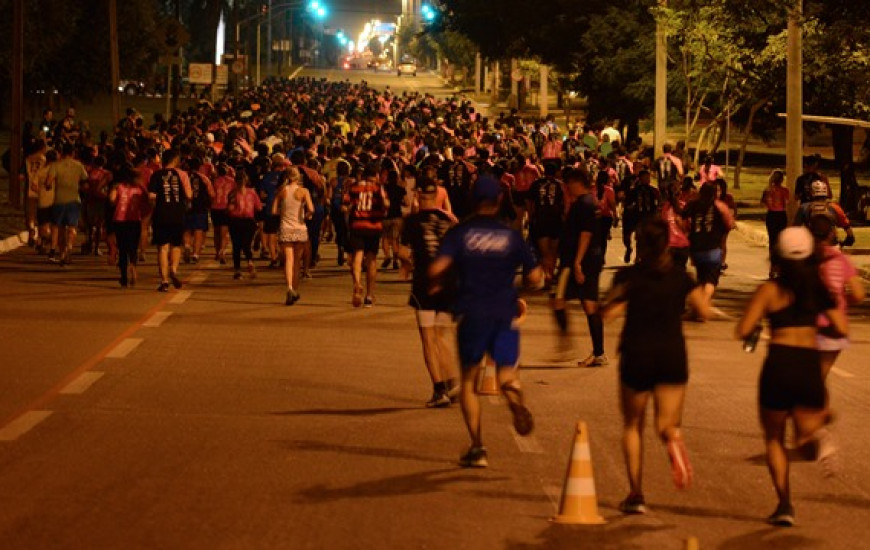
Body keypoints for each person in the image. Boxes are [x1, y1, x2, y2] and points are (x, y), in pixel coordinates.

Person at [735, 226, 847, 527]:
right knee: (805, 435)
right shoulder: (817, 287)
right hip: (809, 364)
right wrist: (813, 329)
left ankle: (784, 504)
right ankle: (819, 436)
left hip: (779, 364)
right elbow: (841, 328)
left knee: (774, 438)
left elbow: (743, 330)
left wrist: (761, 326)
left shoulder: (769, 290)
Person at [429, 176, 543, 468]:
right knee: (506, 376)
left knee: (469, 381)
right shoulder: (512, 236)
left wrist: (439, 283)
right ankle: (514, 399)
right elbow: (535, 278)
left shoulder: (460, 233)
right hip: (504, 313)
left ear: (472, 199)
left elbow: (437, 268)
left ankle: (478, 446)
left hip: (472, 312)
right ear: (499, 200)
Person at [601, 218, 710, 514]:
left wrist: (621, 304)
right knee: (667, 424)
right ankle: (673, 439)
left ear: (639, 245)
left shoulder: (627, 277)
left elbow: (606, 313)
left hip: (637, 353)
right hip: (671, 354)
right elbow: (703, 310)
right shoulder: (681, 277)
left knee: (632, 425)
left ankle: (636, 493)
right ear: (667, 244)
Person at [397, 178, 459, 407]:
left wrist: (407, 265)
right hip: (448, 284)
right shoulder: (449, 220)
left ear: (418, 196)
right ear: (438, 197)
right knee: (442, 334)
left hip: (424, 284)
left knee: (427, 336)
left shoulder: (412, 222)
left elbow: (402, 252)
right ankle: (452, 381)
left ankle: (438, 389)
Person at [808, 214, 865, 416]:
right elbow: (858, 294)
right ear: (832, 233)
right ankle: (816, 423)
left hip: (806, 325)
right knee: (818, 377)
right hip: (834, 327)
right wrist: (842, 302)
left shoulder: (804, 259)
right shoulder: (841, 260)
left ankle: (813, 422)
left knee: (810, 379)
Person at [552, 168, 607, 366]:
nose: (567, 188)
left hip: (576, 263)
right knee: (589, 304)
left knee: (559, 299)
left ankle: (566, 345)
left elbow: (586, 234)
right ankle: (598, 353)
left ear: (576, 183)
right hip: (591, 260)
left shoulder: (583, 205)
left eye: (568, 184)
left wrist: (576, 263)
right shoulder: (591, 203)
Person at [682, 183, 734, 314]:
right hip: (713, 247)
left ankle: (697, 307)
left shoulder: (693, 204)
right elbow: (729, 223)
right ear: (714, 193)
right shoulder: (720, 206)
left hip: (696, 247)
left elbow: (683, 219)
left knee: (701, 277)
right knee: (711, 280)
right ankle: (702, 304)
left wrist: (688, 231)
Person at [343, 162, 389, 307]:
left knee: (357, 256)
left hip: (357, 224)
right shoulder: (378, 188)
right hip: (373, 225)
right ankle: (369, 295)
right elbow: (386, 204)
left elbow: (344, 205)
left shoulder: (354, 187)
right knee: (371, 260)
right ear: (375, 175)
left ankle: (357, 284)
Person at [148, 149, 193, 292]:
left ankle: (164, 281)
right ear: (174, 159)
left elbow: (151, 196)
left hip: (162, 213)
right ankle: (173, 269)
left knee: (162, 247)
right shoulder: (182, 174)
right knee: (176, 245)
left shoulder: (156, 175)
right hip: (178, 213)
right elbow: (189, 195)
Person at [273, 167, 313, 305]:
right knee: (297, 262)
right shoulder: (304, 191)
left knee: (288, 261)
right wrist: (305, 217)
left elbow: (273, 211)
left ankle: (289, 287)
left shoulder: (281, 191)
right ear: (298, 177)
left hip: (286, 228)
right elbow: (311, 209)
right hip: (300, 228)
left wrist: (283, 214)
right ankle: (295, 289)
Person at [46, 142, 89, 265]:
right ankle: (69, 247)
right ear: (73, 153)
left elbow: (48, 183)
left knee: (60, 228)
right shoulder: (79, 165)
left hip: (59, 200)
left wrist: (49, 187)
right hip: (74, 200)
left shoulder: (55, 165)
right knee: (72, 227)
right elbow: (85, 183)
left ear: (62, 152)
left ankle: (62, 253)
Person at [109, 162, 148, 287]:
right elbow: (147, 201)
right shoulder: (139, 188)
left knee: (122, 248)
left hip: (120, 220)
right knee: (133, 248)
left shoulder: (118, 186)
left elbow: (111, 201)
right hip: (135, 219)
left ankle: (124, 276)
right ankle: (133, 266)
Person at [527, 162, 564, 286]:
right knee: (553, 251)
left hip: (541, 219)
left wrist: (530, 216)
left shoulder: (536, 184)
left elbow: (530, 202)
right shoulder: (560, 185)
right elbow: (565, 203)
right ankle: (550, 274)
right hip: (556, 220)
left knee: (544, 251)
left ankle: (547, 274)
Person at [794, 180, 856, 248]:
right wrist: (849, 240)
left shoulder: (804, 207)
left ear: (811, 193)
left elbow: (795, 228)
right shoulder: (835, 207)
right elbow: (848, 229)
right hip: (832, 246)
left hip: (812, 246)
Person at [227, 170, 263, 280]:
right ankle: (248, 262)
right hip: (245, 220)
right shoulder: (250, 192)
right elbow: (259, 207)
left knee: (238, 246)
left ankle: (239, 269)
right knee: (244, 244)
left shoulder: (235, 193)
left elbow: (230, 209)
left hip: (239, 221)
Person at [762, 169, 789, 275]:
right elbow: (786, 202)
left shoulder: (768, 190)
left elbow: (764, 203)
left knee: (772, 241)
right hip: (781, 215)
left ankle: (773, 267)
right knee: (780, 241)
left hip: (771, 215)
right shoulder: (784, 191)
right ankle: (779, 266)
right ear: (782, 179)